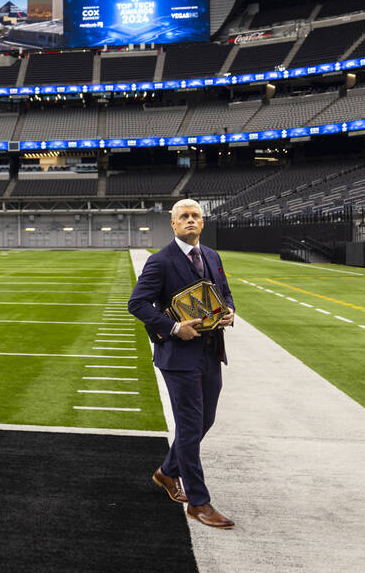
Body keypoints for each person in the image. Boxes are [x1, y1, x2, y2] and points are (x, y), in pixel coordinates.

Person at [128, 198, 237, 529]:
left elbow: (225, 294)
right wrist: (175, 327)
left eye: (195, 216)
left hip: (210, 352)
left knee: (205, 421)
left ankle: (166, 472)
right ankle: (199, 503)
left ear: (202, 223)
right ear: (173, 224)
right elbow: (137, 303)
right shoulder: (160, 261)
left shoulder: (212, 256)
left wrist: (230, 312)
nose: (190, 220)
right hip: (178, 356)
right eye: (183, 216)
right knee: (190, 426)